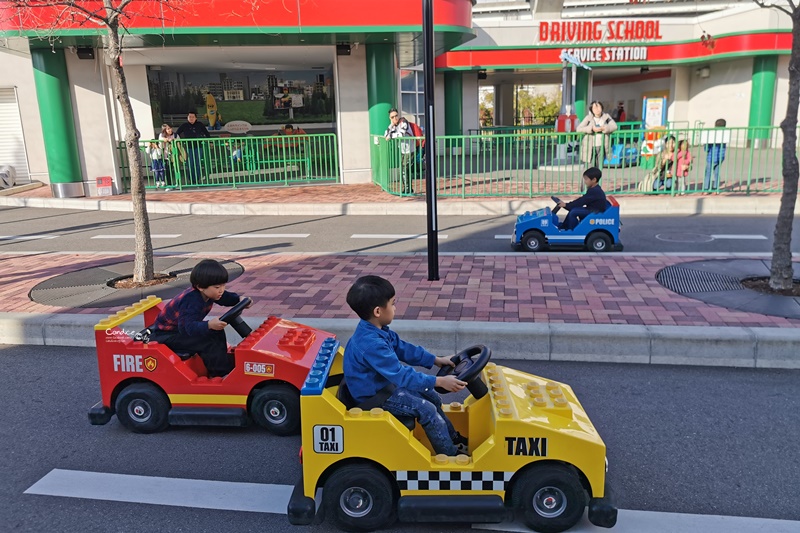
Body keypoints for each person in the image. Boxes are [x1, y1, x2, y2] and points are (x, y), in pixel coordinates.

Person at [343, 275, 469, 456]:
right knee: (427, 410)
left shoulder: (376, 331)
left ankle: (453, 439)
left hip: (383, 386)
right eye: (393, 303)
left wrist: (435, 359)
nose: (395, 307)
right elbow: (401, 375)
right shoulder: (371, 344)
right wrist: (439, 381)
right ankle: (449, 457)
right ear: (378, 311)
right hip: (374, 397)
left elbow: (403, 348)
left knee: (431, 396)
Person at [147, 259, 251, 378]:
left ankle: (222, 364)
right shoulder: (191, 300)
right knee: (206, 340)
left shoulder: (210, 293)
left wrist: (240, 299)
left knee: (216, 332)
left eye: (223, 285)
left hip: (180, 330)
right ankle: (220, 374)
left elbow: (226, 297)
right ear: (200, 287)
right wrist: (208, 325)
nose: (221, 290)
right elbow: (187, 327)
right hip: (167, 335)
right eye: (217, 287)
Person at [383, 108, 416, 194]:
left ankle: (407, 189)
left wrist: (390, 136)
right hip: (403, 150)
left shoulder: (403, 122)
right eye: (392, 117)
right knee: (404, 169)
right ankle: (408, 188)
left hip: (410, 149)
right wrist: (391, 126)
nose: (395, 118)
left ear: (399, 115)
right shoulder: (393, 125)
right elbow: (385, 134)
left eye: (396, 116)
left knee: (405, 169)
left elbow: (401, 134)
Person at [577, 101, 617, 169]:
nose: (597, 109)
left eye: (598, 107)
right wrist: (591, 129)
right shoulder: (588, 118)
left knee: (599, 169)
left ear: (602, 107)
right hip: (590, 146)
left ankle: (597, 180)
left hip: (601, 146)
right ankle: (586, 180)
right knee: (589, 169)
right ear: (591, 110)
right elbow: (579, 129)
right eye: (594, 108)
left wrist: (605, 128)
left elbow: (614, 126)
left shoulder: (606, 117)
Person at [175, 112, 211, 185]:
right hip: (188, 147)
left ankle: (197, 179)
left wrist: (210, 141)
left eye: (192, 117)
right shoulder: (184, 125)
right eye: (189, 117)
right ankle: (191, 179)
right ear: (187, 118)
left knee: (197, 163)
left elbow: (206, 133)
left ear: (196, 118)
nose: (191, 118)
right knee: (190, 163)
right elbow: (177, 134)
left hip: (198, 146)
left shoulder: (200, 124)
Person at [703, 118, 727, 194]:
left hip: (711, 156)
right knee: (717, 173)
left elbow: (707, 148)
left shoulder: (712, 134)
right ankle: (715, 188)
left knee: (708, 173)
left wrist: (705, 146)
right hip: (721, 156)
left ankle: (706, 189)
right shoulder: (724, 134)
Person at [158, 124, 180, 189]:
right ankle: (169, 185)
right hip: (166, 156)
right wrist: (165, 140)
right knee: (168, 171)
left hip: (175, 155)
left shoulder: (176, 135)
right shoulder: (161, 136)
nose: (170, 130)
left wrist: (173, 140)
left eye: (170, 128)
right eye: (168, 129)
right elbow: (160, 145)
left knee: (176, 170)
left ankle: (178, 184)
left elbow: (179, 143)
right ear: (164, 130)